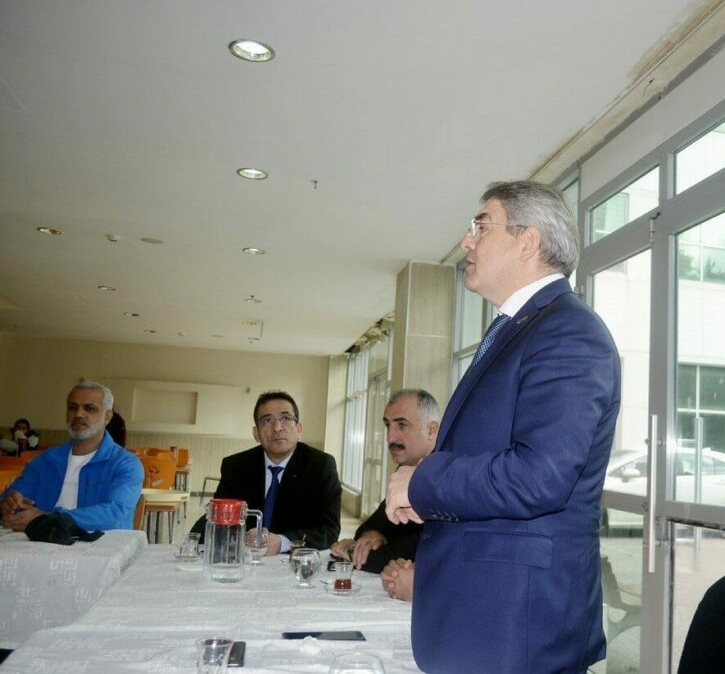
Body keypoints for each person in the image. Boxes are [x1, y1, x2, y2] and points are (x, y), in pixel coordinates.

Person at [386, 180, 621, 672]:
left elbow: (539, 477)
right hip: (487, 616)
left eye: (481, 226)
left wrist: (423, 481)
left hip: (520, 626)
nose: (466, 241)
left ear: (528, 241)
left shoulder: (569, 332)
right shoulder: (520, 330)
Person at [190, 390, 341, 555]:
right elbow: (218, 517)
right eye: (267, 420)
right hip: (245, 557)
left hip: (292, 560)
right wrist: (193, 542)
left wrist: (283, 542)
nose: (277, 428)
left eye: (285, 419)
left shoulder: (321, 466)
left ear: (299, 429)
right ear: (256, 433)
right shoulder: (236, 466)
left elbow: (329, 531)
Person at [0, 382, 143, 531]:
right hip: (41, 541)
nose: (78, 414)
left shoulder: (125, 464)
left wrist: (47, 519)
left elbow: (114, 514)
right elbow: (14, 498)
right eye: (73, 407)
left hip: (103, 543)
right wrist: (9, 504)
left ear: (107, 417)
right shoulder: (45, 460)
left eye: (89, 408)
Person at [330, 388, 439, 574]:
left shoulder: (440, 479)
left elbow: (405, 555)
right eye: (388, 425)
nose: (390, 438)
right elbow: (369, 527)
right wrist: (373, 535)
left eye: (402, 425)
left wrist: (351, 550)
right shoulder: (406, 470)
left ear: (431, 430)